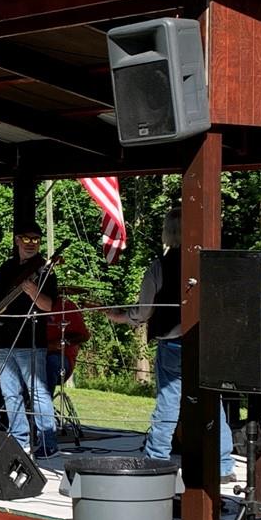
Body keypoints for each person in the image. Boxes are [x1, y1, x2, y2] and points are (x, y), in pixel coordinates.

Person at [105, 207, 236, 483]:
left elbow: (143, 311)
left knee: (168, 402)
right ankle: (223, 463)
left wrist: (121, 317)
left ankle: (156, 459)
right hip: (207, 344)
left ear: (168, 232)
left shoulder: (159, 266)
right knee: (214, 402)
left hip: (173, 345)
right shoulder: (210, 264)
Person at [0, 221, 59, 458]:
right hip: (4, 340)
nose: (31, 244)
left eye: (36, 240)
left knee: (38, 393)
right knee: (10, 394)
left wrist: (33, 293)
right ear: (18, 240)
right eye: (27, 239)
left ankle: (47, 441)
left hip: (31, 340)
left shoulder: (45, 271)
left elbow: (50, 307)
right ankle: (19, 440)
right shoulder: (8, 267)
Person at [45, 295, 90, 393]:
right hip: (32, 354)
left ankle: (42, 404)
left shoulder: (66, 306)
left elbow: (84, 335)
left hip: (60, 358)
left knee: (51, 362)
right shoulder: (29, 305)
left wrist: (63, 342)